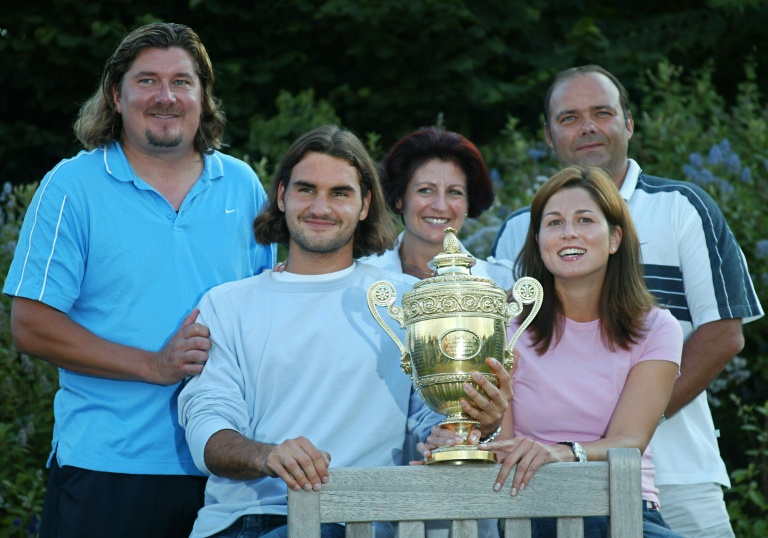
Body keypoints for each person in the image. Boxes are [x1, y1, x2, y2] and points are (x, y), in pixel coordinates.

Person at [3, 22, 276, 538]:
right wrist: (154, 365)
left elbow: (267, 316)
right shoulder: (71, 186)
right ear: (116, 94)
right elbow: (30, 325)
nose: (166, 96)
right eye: (147, 80)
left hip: (225, 469)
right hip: (108, 468)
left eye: (182, 81)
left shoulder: (241, 185)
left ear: (203, 95)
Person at [177, 124, 511, 538]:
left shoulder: (410, 303)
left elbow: (432, 421)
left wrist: (474, 426)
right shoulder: (226, 304)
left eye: (340, 193)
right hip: (247, 518)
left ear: (365, 204)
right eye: (306, 189)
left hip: (358, 518)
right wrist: (267, 456)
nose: (321, 207)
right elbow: (207, 426)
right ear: (281, 196)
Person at [489, 65, 763, 537]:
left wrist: (630, 422)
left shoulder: (683, 206)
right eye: (569, 117)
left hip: (677, 472)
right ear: (548, 133)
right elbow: (505, 348)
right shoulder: (520, 227)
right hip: (543, 487)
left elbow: (724, 333)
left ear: (629, 123)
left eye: (602, 112)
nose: (588, 126)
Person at [474, 165, 682, 537]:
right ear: (538, 240)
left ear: (615, 237)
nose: (568, 232)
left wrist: (564, 452)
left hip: (625, 508)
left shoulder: (657, 327)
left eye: (585, 220)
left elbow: (629, 439)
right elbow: (500, 443)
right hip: (534, 508)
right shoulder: (505, 325)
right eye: (553, 223)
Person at [361, 126, 513, 290]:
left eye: (454, 192)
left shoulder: (502, 283)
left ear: (468, 203)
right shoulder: (362, 280)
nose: (440, 206)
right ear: (399, 199)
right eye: (425, 190)